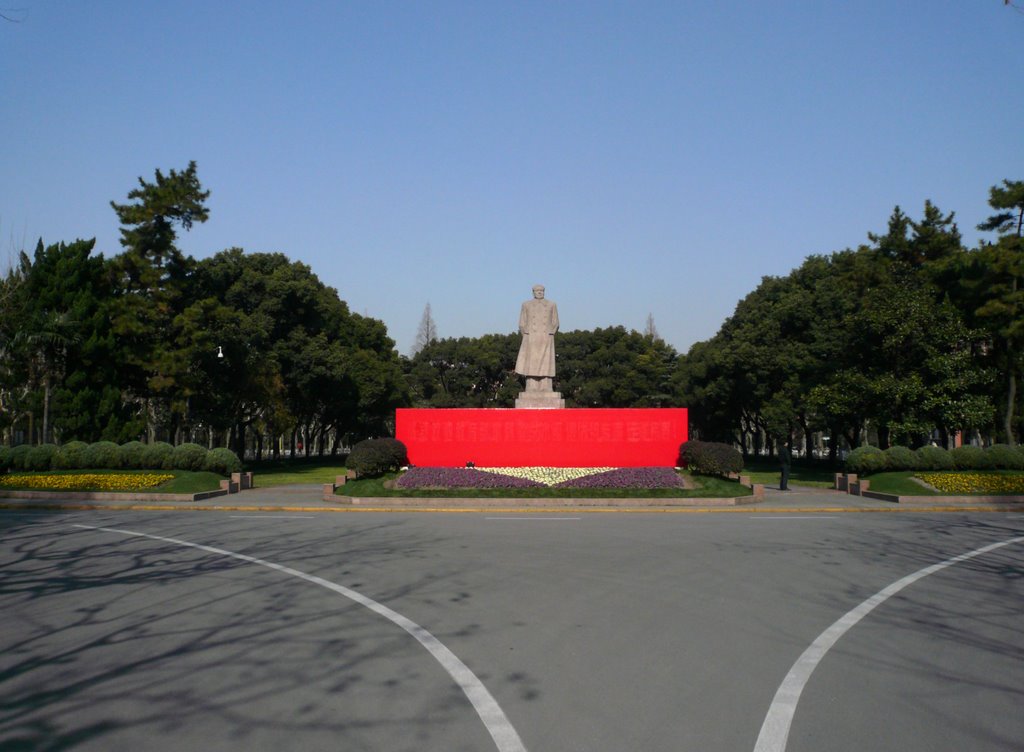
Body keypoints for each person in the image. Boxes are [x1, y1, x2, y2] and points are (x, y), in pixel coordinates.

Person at [515, 285, 558, 392]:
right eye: (537, 291)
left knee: (546, 362)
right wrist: (526, 335)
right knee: (531, 362)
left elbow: (555, 322)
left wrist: (551, 333)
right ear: (533, 292)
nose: (539, 292)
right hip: (531, 338)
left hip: (546, 337)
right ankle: (531, 385)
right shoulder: (526, 305)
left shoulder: (551, 304)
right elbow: (522, 322)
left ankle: (546, 385)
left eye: (542, 291)